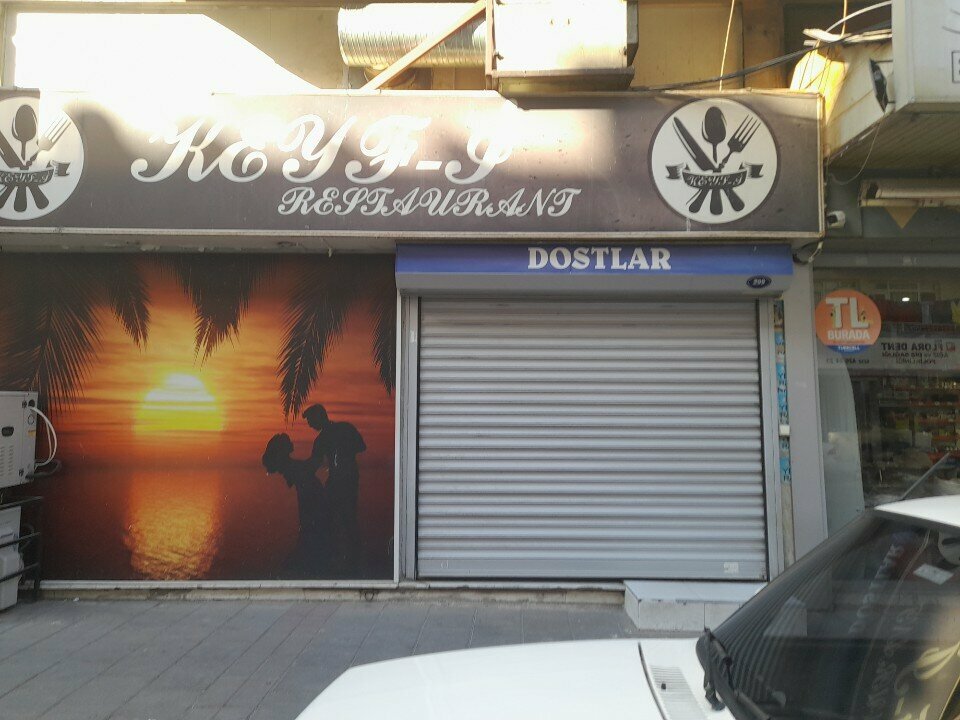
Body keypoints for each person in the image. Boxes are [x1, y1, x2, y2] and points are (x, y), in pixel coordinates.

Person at [303, 404, 366, 576]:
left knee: (340, 520)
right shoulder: (340, 430)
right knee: (343, 520)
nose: (309, 425)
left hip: (343, 482)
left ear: (319, 417)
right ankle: (346, 558)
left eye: (310, 420)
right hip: (343, 481)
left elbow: (314, 464)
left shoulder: (329, 436)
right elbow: (361, 446)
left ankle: (346, 560)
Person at [261, 433, 329, 575]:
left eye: (280, 470)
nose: (282, 475)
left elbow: (310, 521)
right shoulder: (300, 473)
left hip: (318, 535)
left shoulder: (300, 475)